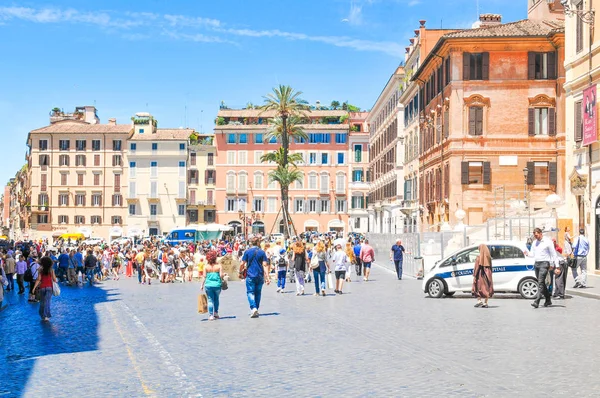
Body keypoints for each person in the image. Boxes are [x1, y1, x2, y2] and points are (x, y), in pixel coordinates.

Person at [525, 228, 559, 308]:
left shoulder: (548, 241)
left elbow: (554, 254)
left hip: (544, 263)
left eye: (536, 235)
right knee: (542, 283)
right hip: (537, 264)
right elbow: (532, 254)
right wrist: (527, 254)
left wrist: (556, 266)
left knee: (540, 282)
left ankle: (537, 301)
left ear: (540, 233)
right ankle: (548, 299)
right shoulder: (534, 243)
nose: (535, 237)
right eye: (534, 235)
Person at [240, 237, 270, 318]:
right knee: (258, 292)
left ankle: (253, 308)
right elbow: (265, 265)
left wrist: (240, 271)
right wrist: (267, 277)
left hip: (250, 275)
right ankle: (256, 308)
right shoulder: (262, 252)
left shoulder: (247, 252)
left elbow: (242, 263)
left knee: (250, 292)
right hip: (260, 275)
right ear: (258, 243)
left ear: (250, 243)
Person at [32, 256, 57, 322]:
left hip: (42, 287)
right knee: (47, 302)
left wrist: (34, 288)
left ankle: (42, 314)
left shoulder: (40, 270)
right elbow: (54, 279)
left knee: (42, 301)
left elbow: (38, 279)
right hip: (49, 287)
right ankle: (46, 315)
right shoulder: (51, 270)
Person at [201, 250, 222, 321]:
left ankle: (211, 315)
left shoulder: (206, 267)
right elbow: (221, 276)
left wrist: (202, 285)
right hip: (217, 285)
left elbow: (204, 276)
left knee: (210, 300)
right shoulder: (219, 266)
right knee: (216, 299)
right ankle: (216, 312)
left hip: (208, 285)